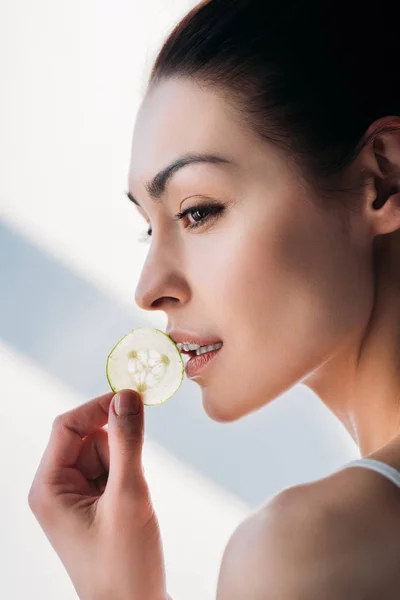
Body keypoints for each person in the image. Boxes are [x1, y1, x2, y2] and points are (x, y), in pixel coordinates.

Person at [28, 0, 400, 598]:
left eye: (198, 211)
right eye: (151, 228)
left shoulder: (306, 550)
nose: (150, 289)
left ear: (383, 179)